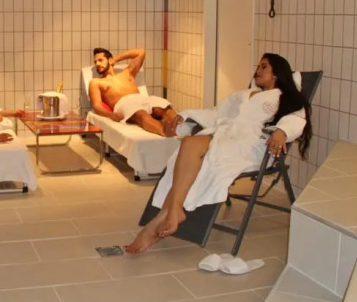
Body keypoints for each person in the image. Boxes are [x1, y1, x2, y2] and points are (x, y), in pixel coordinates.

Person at [125, 53, 312, 254]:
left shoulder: (285, 98)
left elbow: (297, 119)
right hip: (223, 135)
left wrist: (282, 131)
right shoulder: (243, 94)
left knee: (198, 161)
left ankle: (158, 222)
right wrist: (185, 116)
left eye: (263, 67)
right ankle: (175, 210)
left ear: (277, 72)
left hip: (250, 144)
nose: (257, 70)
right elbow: (216, 114)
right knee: (189, 143)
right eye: (257, 66)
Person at [88, 47, 178, 136]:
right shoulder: (96, 82)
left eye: (100, 60)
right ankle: (164, 131)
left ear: (110, 60)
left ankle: (182, 127)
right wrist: (112, 115)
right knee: (140, 113)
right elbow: (97, 106)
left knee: (163, 105)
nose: (97, 64)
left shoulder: (127, 73)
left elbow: (141, 52)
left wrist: (115, 59)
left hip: (141, 98)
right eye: (95, 62)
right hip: (123, 103)